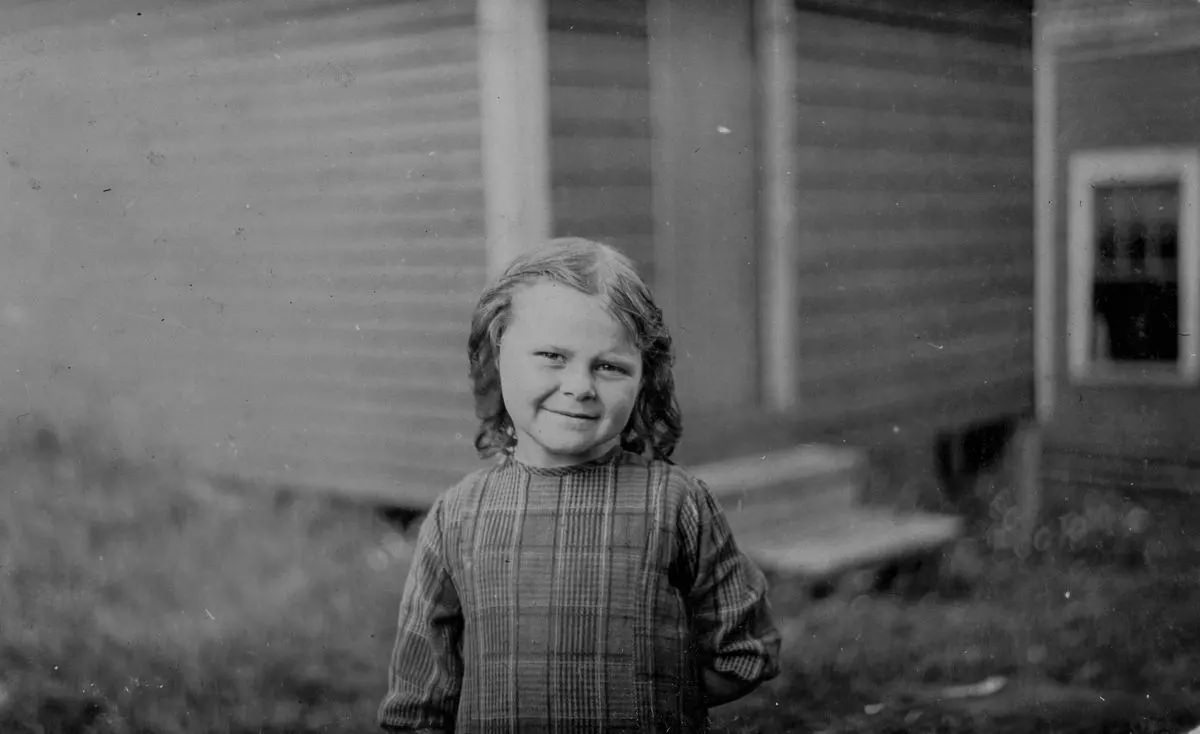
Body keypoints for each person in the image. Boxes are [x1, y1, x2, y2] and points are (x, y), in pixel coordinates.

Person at [378, 237, 781, 733]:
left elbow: (744, 650)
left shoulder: (676, 503)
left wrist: (656, 699)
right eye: (551, 355)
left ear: (644, 380)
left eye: (610, 366)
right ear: (497, 357)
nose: (580, 386)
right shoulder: (457, 514)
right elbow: (419, 700)